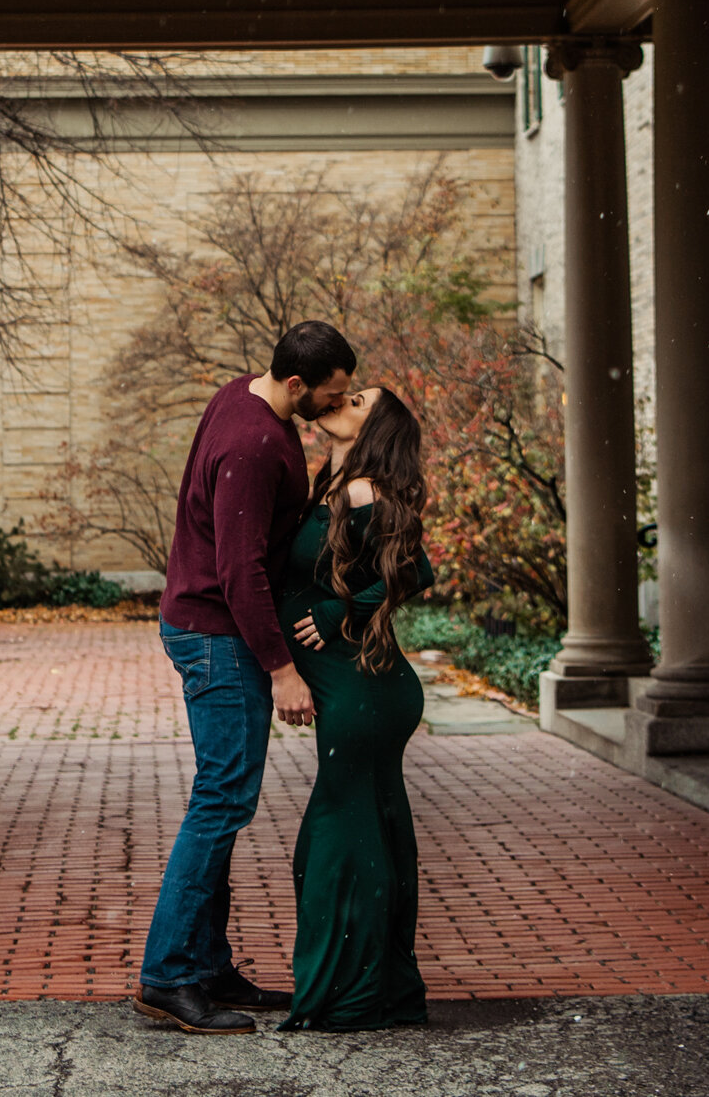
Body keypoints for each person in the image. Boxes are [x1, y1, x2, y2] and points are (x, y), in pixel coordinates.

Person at [136, 320, 356, 1035]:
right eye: (332, 393)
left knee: (223, 797)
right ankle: (169, 974)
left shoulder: (242, 396)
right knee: (222, 796)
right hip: (215, 636)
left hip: (207, 627)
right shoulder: (256, 442)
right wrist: (283, 669)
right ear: (297, 384)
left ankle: (206, 965)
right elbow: (239, 570)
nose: (336, 402)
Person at [277, 385, 434, 1031]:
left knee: (336, 842)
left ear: (376, 427)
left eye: (359, 400)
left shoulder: (365, 488)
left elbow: (415, 568)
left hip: (365, 690)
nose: (343, 399)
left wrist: (348, 609)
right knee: (369, 833)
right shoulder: (335, 481)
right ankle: (383, 988)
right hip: (364, 687)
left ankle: (348, 995)